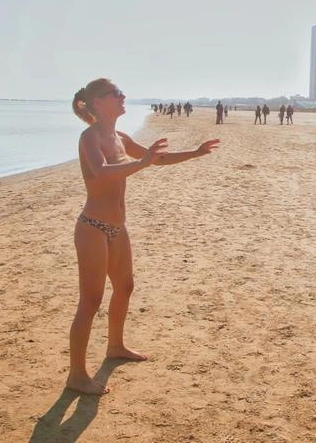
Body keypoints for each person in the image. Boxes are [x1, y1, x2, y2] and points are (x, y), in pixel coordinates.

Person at [68, 78, 219, 395]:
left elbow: (157, 160)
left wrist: (194, 152)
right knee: (91, 301)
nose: (123, 96)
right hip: (92, 227)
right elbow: (101, 172)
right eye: (115, 93)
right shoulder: (89, 137)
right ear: (97, 102)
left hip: (117, 227)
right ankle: (77, 375)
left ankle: (115, 346)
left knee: (125, 287)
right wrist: (142, 162)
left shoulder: (119, 136)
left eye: (121, 92)